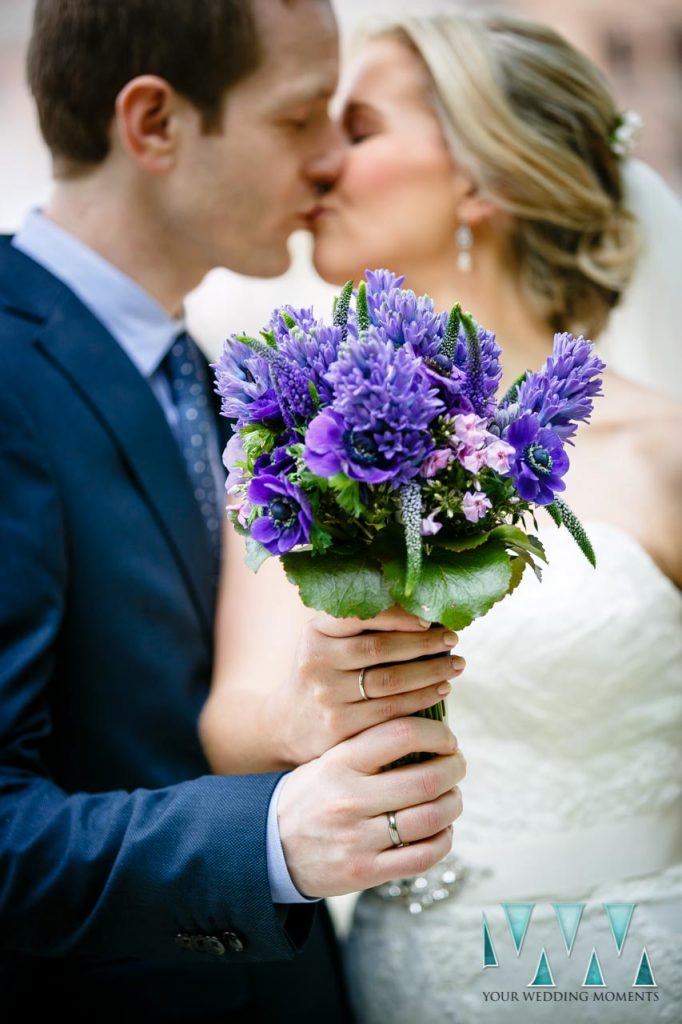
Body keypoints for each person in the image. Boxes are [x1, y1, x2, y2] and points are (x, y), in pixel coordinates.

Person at [0, 2, 467, 1021]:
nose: (325, 161)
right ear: (155, 124)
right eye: (298, 119)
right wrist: (265, 843)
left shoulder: (214, 379)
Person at [300, 10, 682, 1022]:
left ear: (478, 178)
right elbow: (238, 717)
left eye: (360, 129)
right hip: (410, 975)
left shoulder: (664, 453)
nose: (315, 165)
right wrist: (323, 694)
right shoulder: (303, 451)